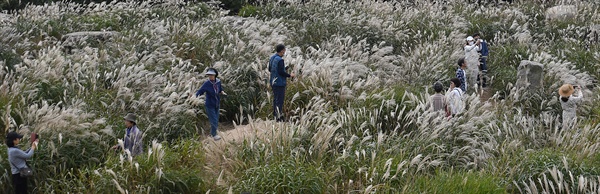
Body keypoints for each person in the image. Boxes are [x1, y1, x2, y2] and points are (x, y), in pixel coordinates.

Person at [195, 68, 226, 140]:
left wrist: (222, 92)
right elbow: (200, 91)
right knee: (214, 120)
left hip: (217, 103)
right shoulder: (207, 84)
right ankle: (214, 135)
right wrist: (193, 97)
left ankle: (214, 133)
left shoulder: (218, 82)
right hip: (210, 105)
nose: (210, 76)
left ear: (215, 75)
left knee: (216, 119)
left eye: (212, 75)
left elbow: (220, 89)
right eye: (209, 75)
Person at [269, 44, 295, 122]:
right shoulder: (280, 60)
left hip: (273, 82)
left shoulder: (272, 58)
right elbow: (280, 72)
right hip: (279, 83)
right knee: (279, 100)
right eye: (284, 50)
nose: (285, 52)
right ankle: (278, 118)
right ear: (282, 50)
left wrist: (285, 68)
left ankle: (275, 116)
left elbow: (270, 69)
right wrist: (290, 75)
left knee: (275, 100)